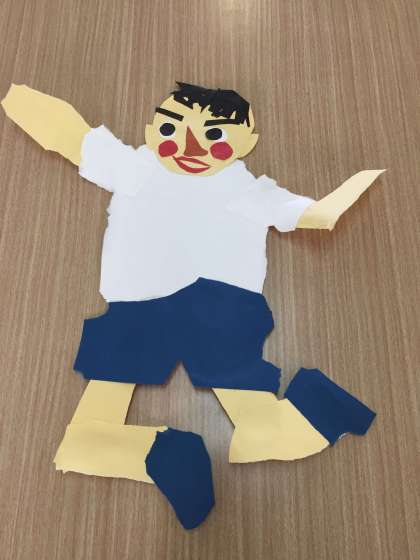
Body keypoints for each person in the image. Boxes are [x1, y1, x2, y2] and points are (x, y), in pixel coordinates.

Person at [1, 82, 380, 528]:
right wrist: (15, 97)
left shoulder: (245, 189)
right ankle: (172, 452)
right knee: (85, 441)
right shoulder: (137, 167)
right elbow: (70, 133)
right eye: (170, 129)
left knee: (257, 427)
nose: (191, 146)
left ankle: (207, 442)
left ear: (247, 143)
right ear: (150, 130)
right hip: (151, 308)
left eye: (215, 135)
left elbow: (314, 214)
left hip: (211, 307)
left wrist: (356, 184)